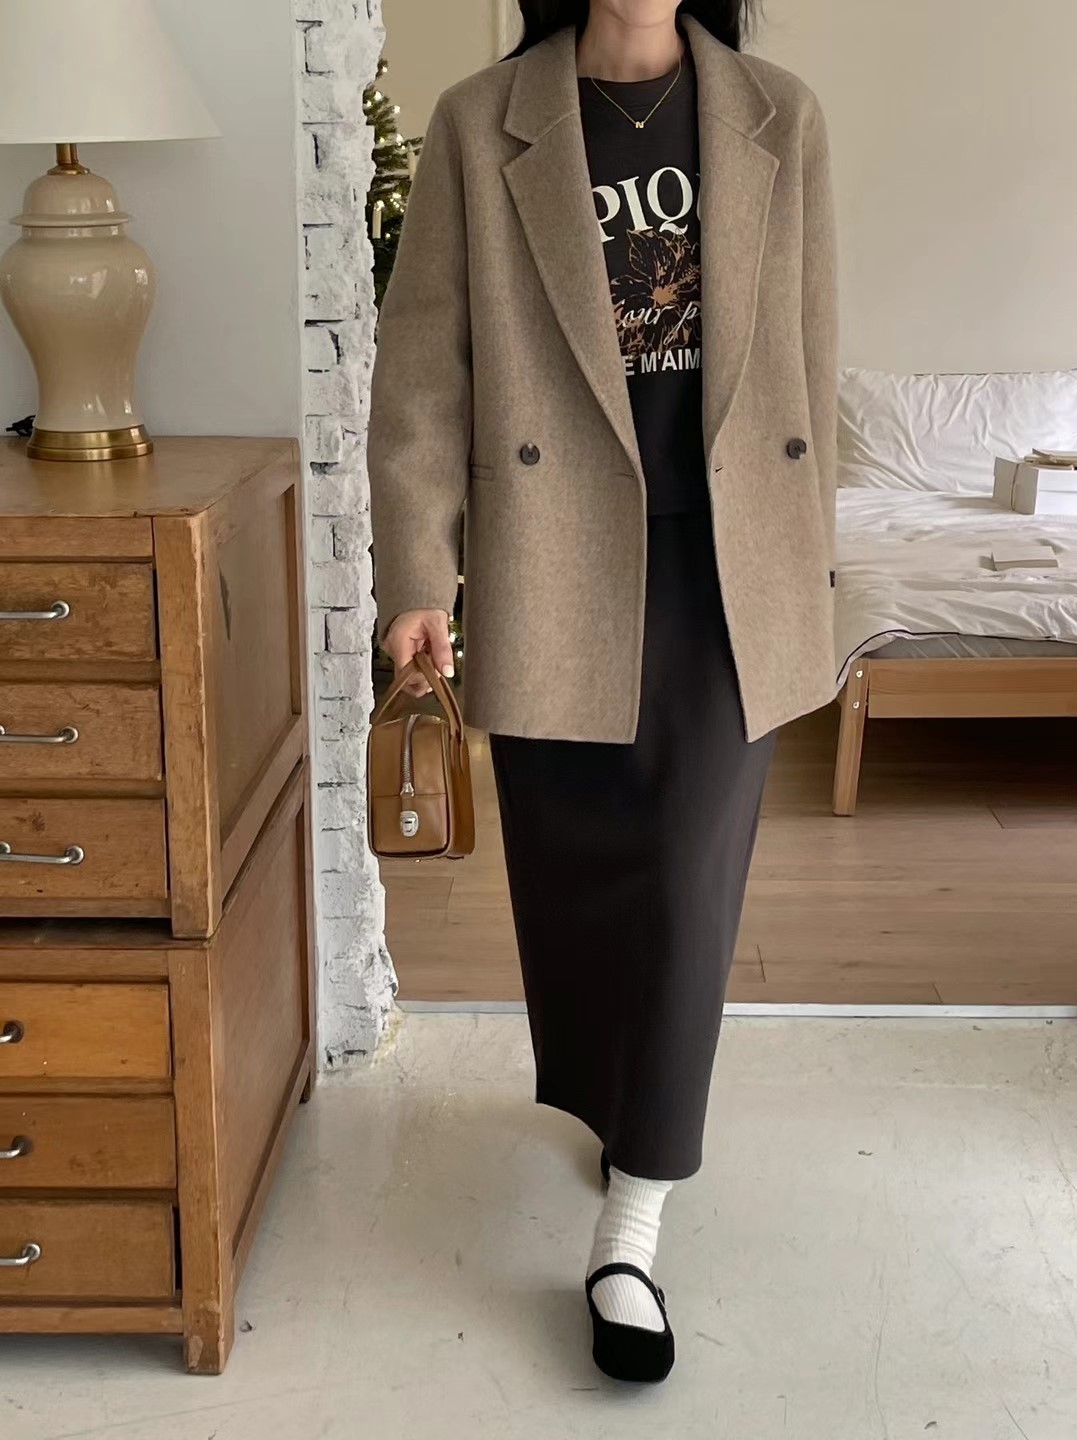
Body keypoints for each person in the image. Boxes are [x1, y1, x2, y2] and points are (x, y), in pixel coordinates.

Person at [368, 0, 838, 1385]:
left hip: (727, 557)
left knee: (688, 882)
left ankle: (632, 1222)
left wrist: (814, 567)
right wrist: (418, 574)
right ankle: (615, 1106)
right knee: (577, 879)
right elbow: (422, 371)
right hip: (555, 546)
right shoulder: (482, 121)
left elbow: (812, 349)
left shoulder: (780, 113)